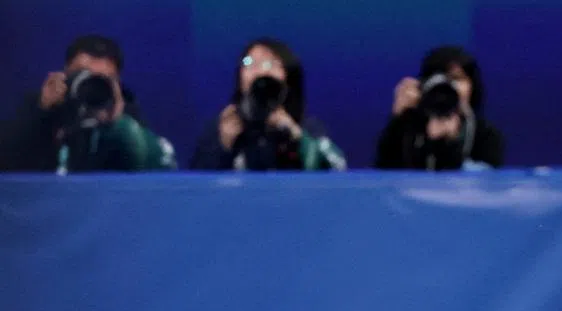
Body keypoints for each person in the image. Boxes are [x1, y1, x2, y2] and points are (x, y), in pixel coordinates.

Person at [0, 35, 175, 173]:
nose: (90, 85)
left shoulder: (125, 116)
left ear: (116, 84)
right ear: (65, 72)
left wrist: (118, 126)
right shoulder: (42, 106)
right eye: (82, 75)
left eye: (100, 80)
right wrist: (41, 114)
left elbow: (162, 167)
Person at [190, 38, 346, 171]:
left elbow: (336, 172)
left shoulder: (307, 128)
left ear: (287, 77)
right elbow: (194, 189)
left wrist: (298, 138)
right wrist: (223, 145)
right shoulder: (222, 127)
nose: (259, 70)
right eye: (249, 62)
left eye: (271, 64)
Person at [373, 46, 505, 171]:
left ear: (472, 86)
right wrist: (397, 120)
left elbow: (484, 182)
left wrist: (449, 144)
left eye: (456, 79)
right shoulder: (408, 129)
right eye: (440, 79)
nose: (448, 86)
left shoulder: (485, 134)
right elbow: (385, 175)